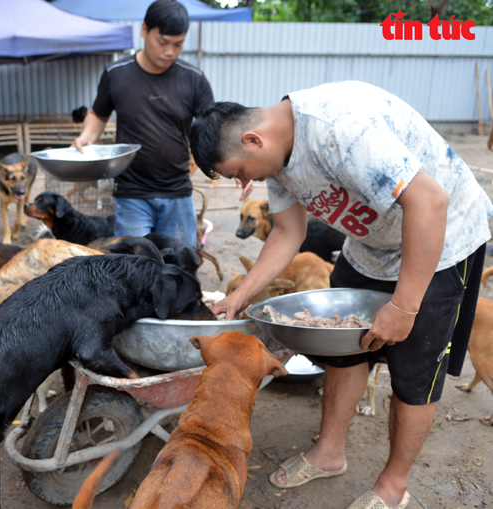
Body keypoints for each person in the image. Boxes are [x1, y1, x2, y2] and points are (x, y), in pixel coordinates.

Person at [189, 81, 492, 509]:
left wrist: (404, 306)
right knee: (344, 350)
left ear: (252, 140)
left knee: (414, 373)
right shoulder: (275, 158)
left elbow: (431, 202)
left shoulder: (340, 129)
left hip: (441, 240)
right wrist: (241, 296)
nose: (244, 182)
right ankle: (328, 453)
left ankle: (393, 487)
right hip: (369, 247)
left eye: (239, 171)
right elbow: (288, 233)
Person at [72, 0, 214, 247]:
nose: (170, 51)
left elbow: (212, 130)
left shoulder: (194, 80)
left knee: (179, 269)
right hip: (131, 193)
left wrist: (232, 162)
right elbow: (98, 114)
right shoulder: (117, 74)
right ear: (144, 29)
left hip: (177, 192)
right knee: (133, 271)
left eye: (178, 44)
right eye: (163, 42)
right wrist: (87, 135)